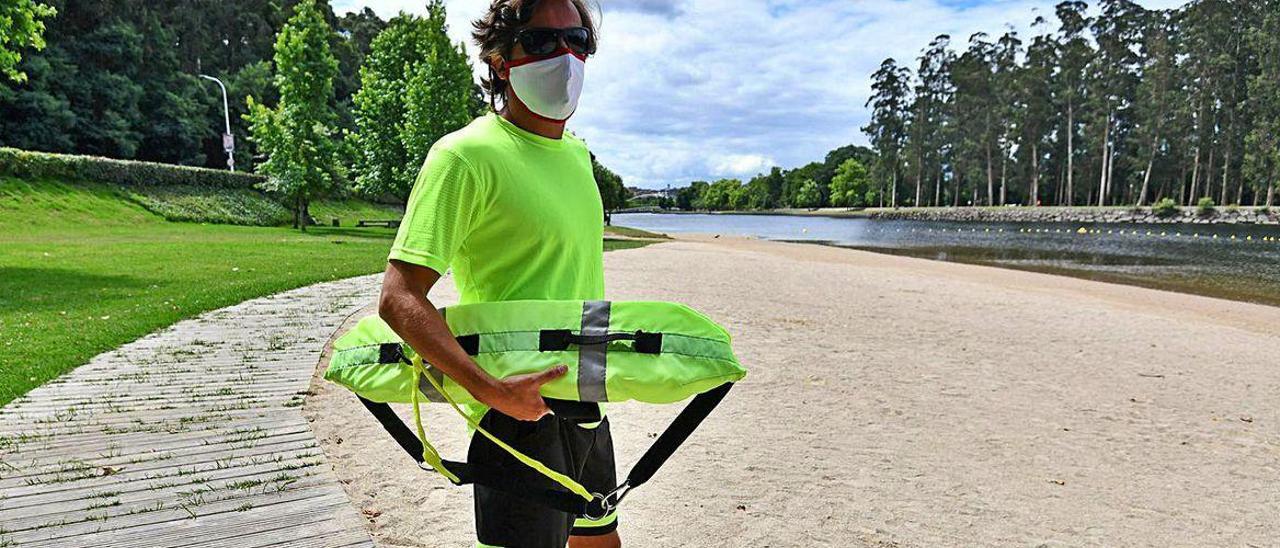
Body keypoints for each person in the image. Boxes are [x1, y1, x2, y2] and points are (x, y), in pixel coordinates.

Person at [376, 1, 621, 546]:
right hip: (513, 415)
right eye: (539, 42)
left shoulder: (578, 157)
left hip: (585, 400)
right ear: (499, 59)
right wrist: (490, 391)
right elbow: (399, 296)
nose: (563, 55)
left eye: (576, 39)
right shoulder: (464, 157)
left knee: (599, 541)